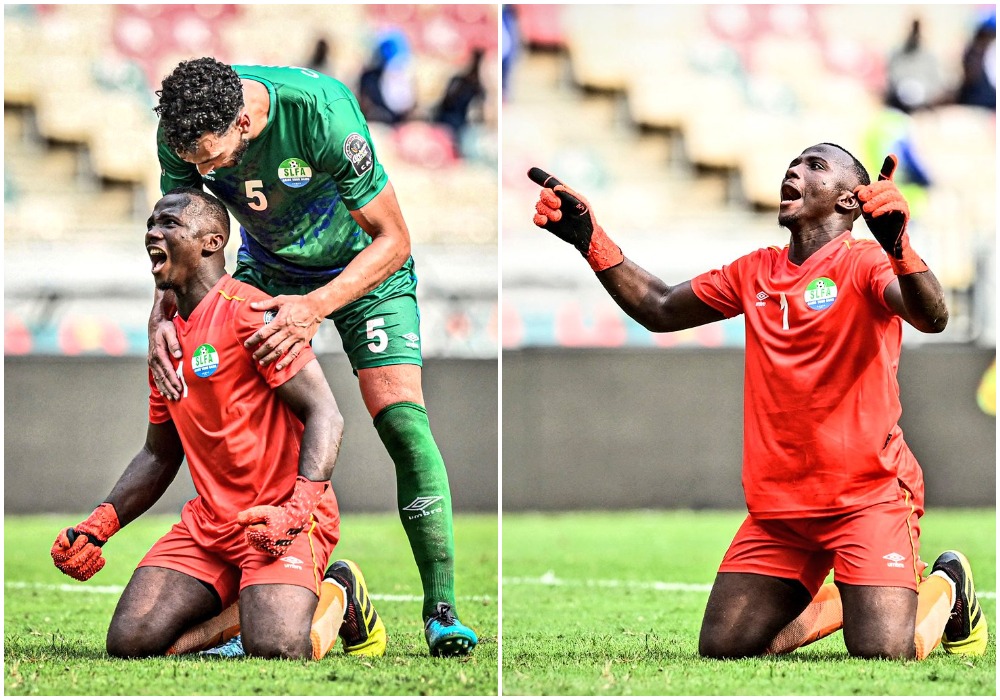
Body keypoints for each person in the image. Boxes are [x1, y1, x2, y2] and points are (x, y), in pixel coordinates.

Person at [528, 143, 988, 659]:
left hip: (868, 496)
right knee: (725, 647)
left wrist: (900, 246)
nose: (794, 170)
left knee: (885, 652)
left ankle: (947, 584)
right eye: (793, 163)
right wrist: (589, 239)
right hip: (781, 509)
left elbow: (932, 316)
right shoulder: (754, 272)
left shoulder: (866, 263)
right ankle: (854, 598)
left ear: (848, 203)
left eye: (816, 166)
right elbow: (659, 308)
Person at [149, 57, 476, 657]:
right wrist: (161, 315)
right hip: (267, 273)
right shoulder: (184, 129)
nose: (204, 169)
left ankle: (441, 610)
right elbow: (178, 234)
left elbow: (393, 238)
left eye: (211, 155)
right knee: (244, 426)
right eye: (191, 160)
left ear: (244, 121)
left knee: (402, 423)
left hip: (365, 274)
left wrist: (316, 305)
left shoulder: (321, 114)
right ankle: (266, 601)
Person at [50, 188, 386, 660]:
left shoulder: (251, 313)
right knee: (130, 642)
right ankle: (243, 613)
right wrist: (102, 522)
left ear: (211, 242)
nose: (152, 231)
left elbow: (325, 413)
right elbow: (158, 454)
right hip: (209, 526)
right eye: (150, 222)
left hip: (284, 519)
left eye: (169, 223)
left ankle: (340, 594)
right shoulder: (164, 344)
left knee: (276, 648)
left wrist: (298, 508)